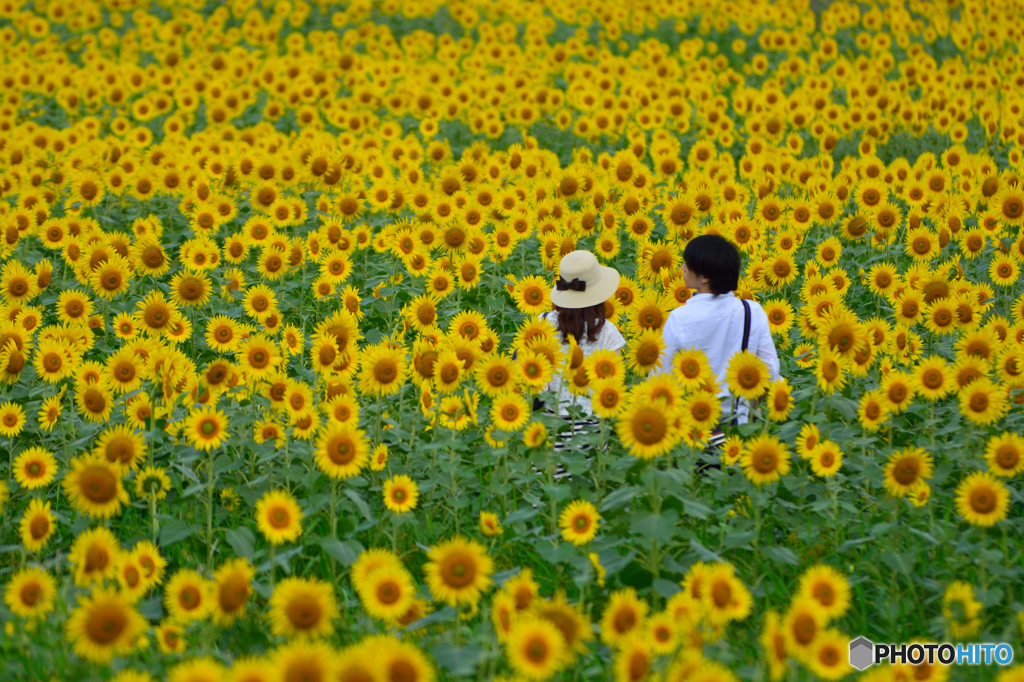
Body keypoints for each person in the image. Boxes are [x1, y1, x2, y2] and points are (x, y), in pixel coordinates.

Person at [655, 234, 780, 434]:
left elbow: (661, 377)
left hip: (693, 430)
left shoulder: (680, 318)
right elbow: (770, 370)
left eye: (687, 264)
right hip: (739, 428)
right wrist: (747, 404)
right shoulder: (752, 311)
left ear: (705, 276)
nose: (682, 268)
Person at [539, 250, 625, 452]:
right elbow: (614, 386)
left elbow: (537, 383)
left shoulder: (542, 324)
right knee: (585, 480)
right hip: (592, 428)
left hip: (551, 427)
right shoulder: (609, 333)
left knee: (551, 481)